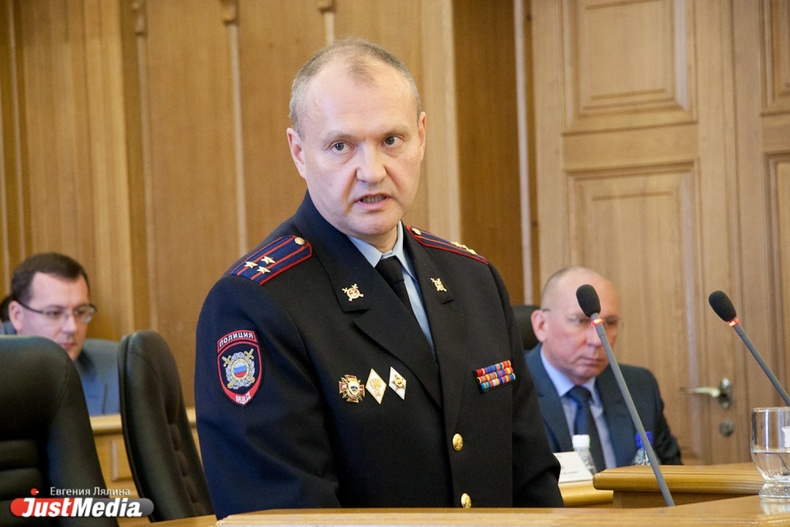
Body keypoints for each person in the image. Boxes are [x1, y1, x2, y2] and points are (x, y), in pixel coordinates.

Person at [195, 37, 562, 518]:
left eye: (391, 140)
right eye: (341, 146)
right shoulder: (256, 303)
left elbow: (532, 480)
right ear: (299, 152)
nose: (371, 171)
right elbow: (283, 513)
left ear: (421, 136)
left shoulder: (474, 280)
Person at [525, 266, 681, 470]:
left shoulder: (638, 387)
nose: (597, 340)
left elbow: (673, 477)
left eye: (610, 323)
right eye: (581, 321)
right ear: (541, 325)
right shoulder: (513, 392)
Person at [1, 252, 119, 416]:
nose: (72, 327)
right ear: (17, 315)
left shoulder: (118, 367)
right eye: (54, 313)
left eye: (80, 312)